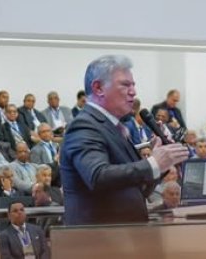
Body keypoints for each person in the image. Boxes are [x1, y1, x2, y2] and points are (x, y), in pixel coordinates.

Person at [60, 55, 189, 225]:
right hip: (98, 237)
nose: (133, 92)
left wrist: (161, 163)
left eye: (133, 85)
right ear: (98, 88)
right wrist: (153, 164)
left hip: (124, 234)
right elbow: (98, 176)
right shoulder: (85, 125)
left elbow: (137, 190)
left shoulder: (115, 127)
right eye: (125, 85)